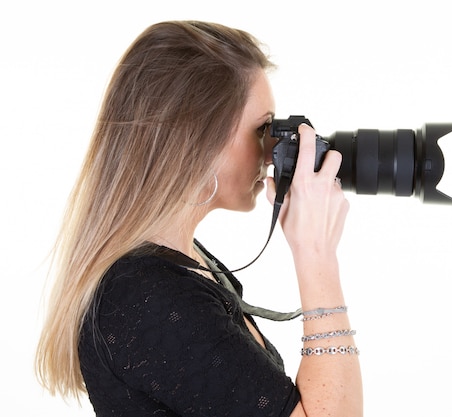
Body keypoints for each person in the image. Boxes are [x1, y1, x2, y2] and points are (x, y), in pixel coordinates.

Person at [35, 21, 362, 417]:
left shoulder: (182, 263)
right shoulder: (146, 296)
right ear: (197, 139)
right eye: (262, 129)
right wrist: (316, 255)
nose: (271, 152)